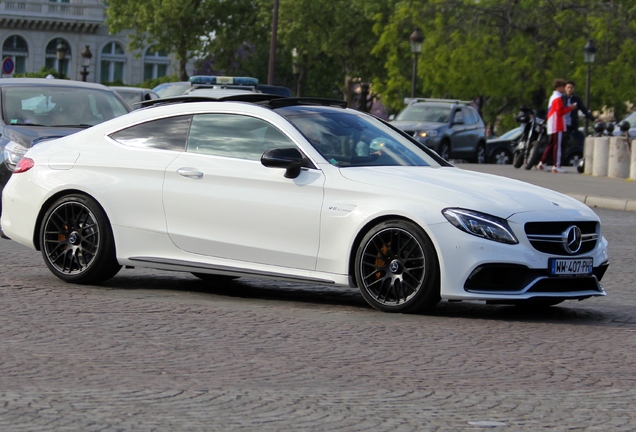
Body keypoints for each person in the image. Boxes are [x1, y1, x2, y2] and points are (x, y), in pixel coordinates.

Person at [537, 78, 575, 173]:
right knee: (557, 146)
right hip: (557, 124)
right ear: (559, 87)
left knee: (551, 144)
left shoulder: (553, 97)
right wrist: (570, 108)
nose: (565, 89)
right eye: (563, 87)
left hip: (552, 123)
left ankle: (542, 163)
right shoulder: (558, 98)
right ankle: (556, 166)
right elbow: (560, 112)